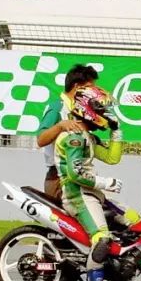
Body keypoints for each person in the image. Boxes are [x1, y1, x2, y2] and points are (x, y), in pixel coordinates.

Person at [55, 83, 128, 281]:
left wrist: (116, 131)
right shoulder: (74, 138)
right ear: (87, 109)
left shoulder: (87, 136)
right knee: (102, 239)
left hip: (92, 194)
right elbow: (75, 174)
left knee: (131, 220)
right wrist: (104, 182)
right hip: (77, 195)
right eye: (101, 109)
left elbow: (112, 158)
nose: (105, 113)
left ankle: (111, 271)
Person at [36, 64, 96, 200]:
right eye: (90, 88)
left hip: (80, 174)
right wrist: (60, 126)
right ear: (77, 87)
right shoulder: (58, 107)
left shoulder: (80, 110)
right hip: (60, 177)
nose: (93, 93)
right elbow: (41, 140)